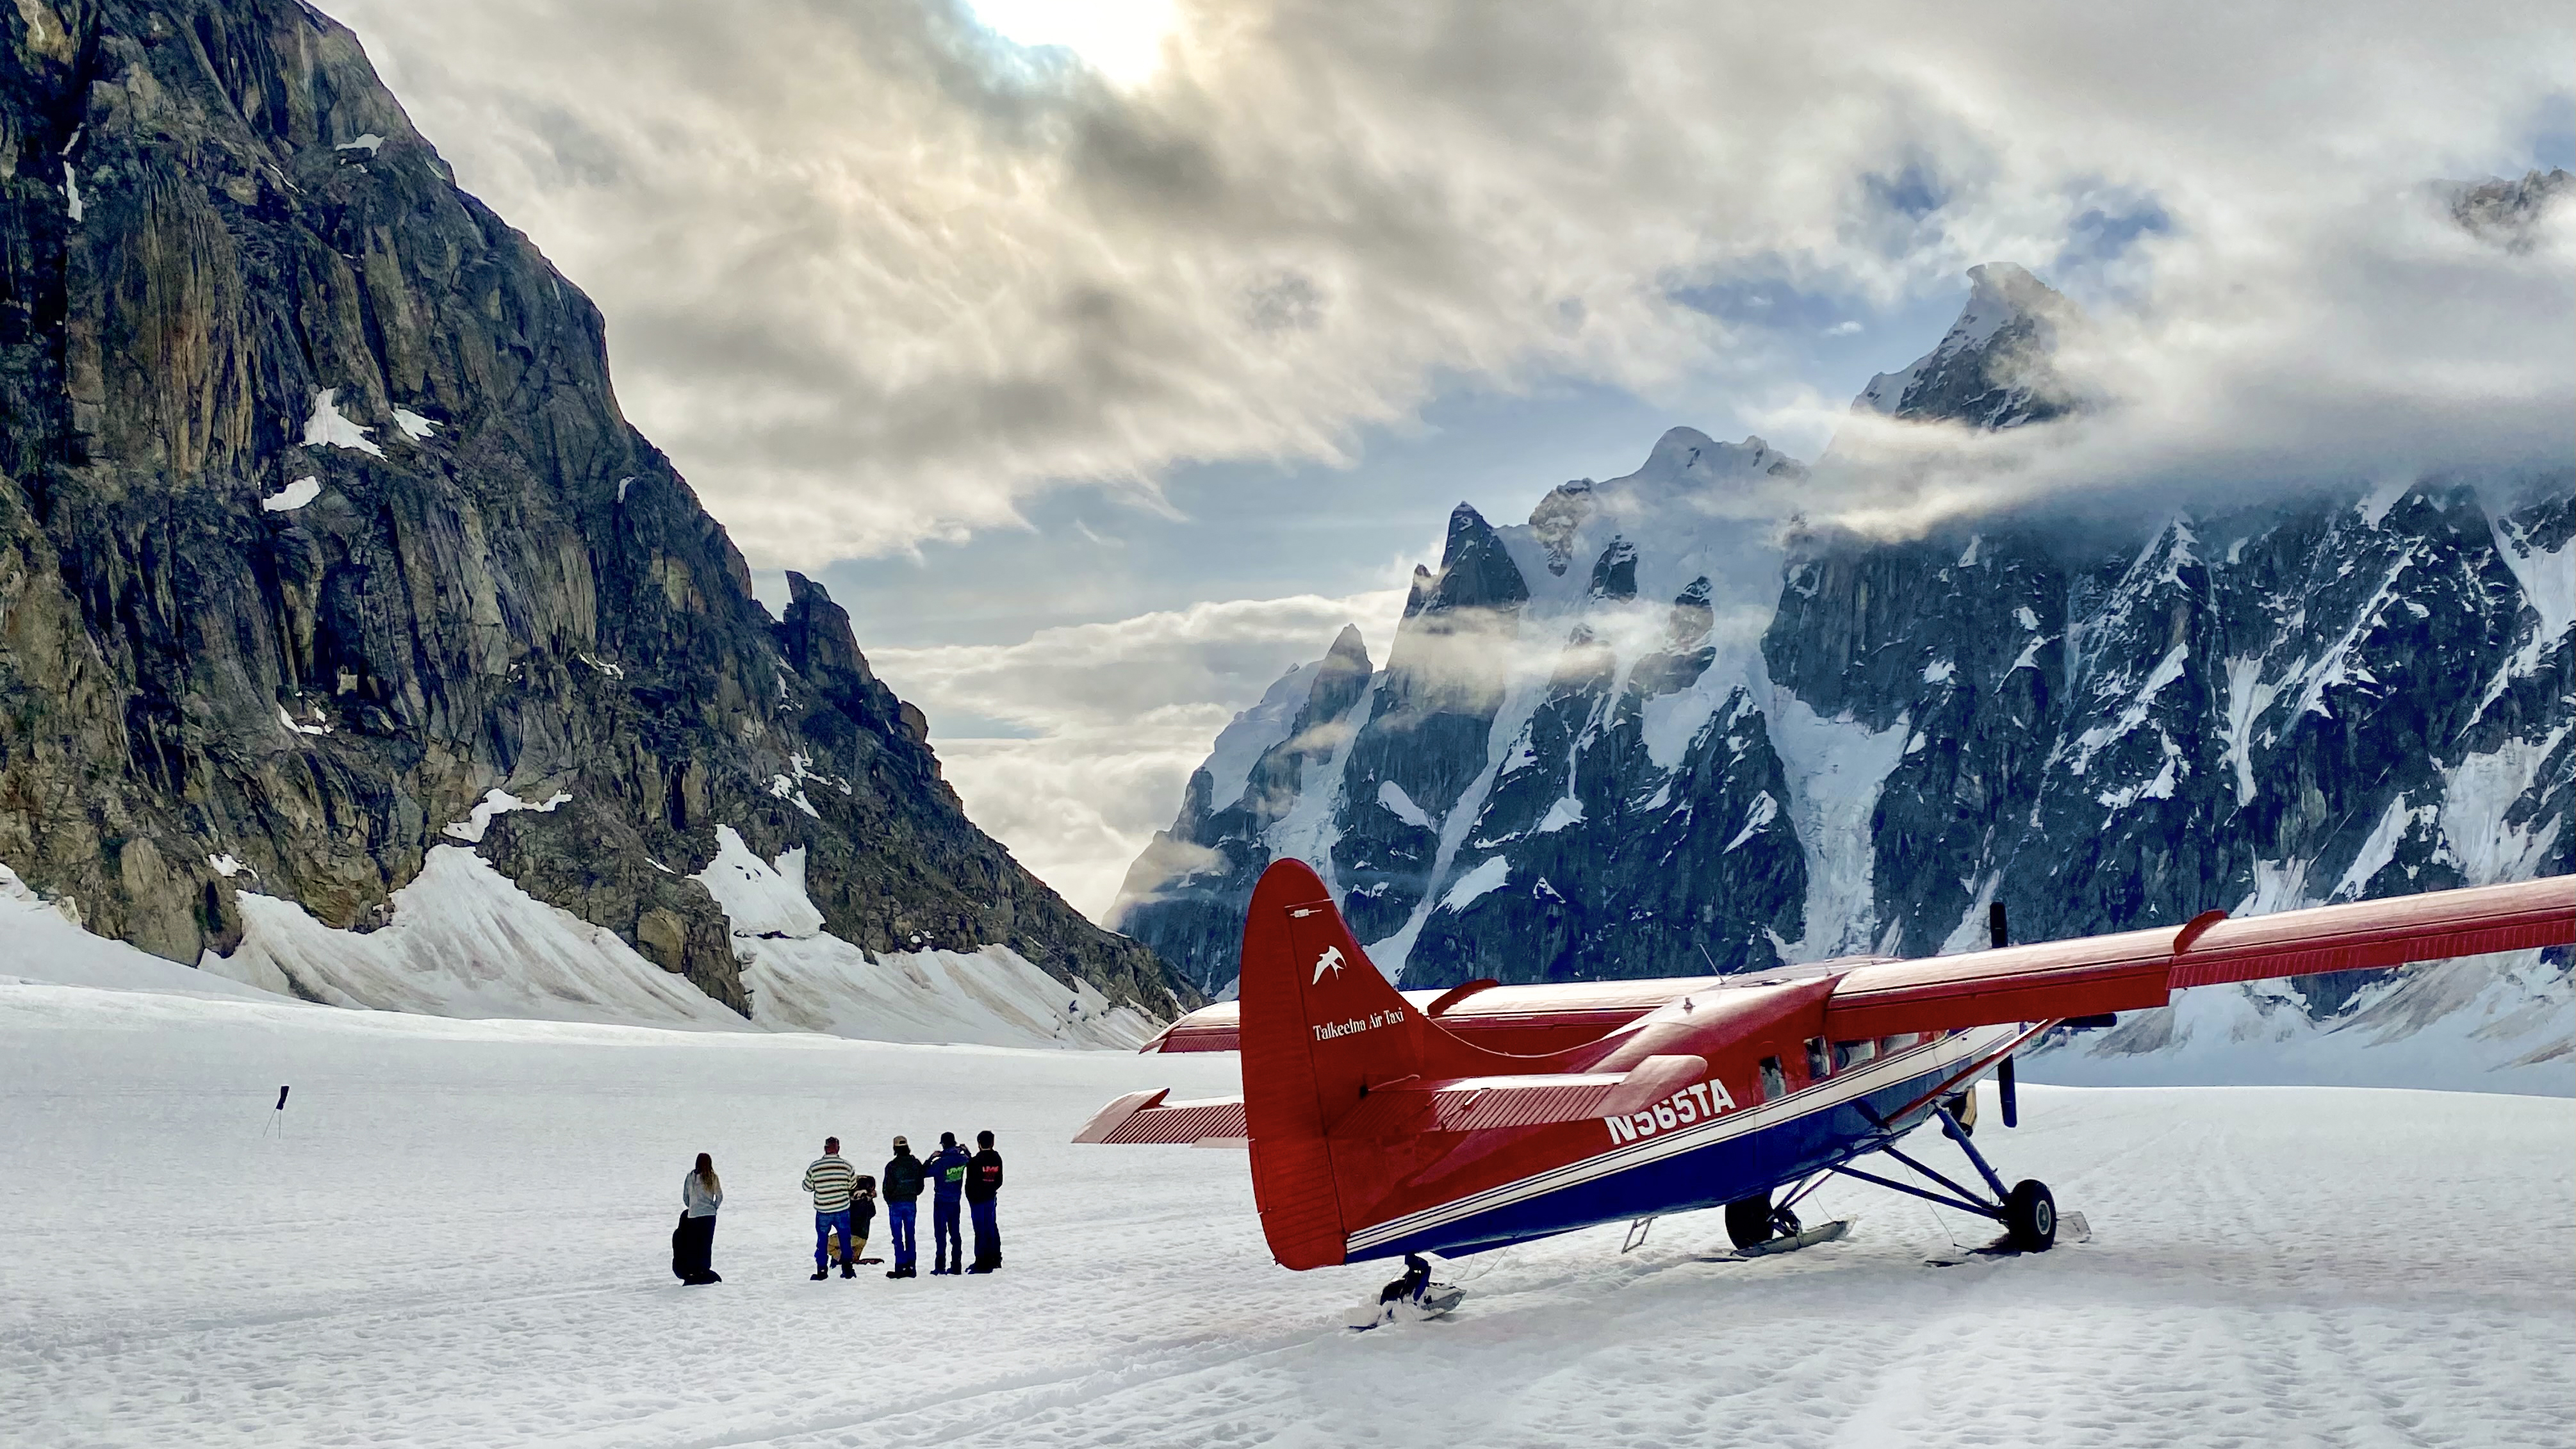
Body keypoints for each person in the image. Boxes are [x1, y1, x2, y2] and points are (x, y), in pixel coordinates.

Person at [802, 1136, 860, 1281]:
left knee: (822, 1240)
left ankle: (822, 1270)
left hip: (823, 1210)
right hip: (842, 1209)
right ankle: (847, 1269)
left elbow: (807, 1187)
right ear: (838, 1148)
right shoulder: (847, 1166)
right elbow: (852, 1186)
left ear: (825, 1149)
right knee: (845, 1240)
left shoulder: (815, 1167)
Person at [923, 1131, 972, 1275]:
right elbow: (972, 1161)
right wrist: (966, 1151)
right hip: (956, 1201)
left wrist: (931, 1158)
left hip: (941, 1201)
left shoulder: (940, 1162)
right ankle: (957, 1265)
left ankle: (940, 1266)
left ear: (943, 1144)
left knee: (940, 1235)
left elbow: (924, 1172)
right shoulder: (962, 1159)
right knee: (955, 1234)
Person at [881, 1136, 925, 1279]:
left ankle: (900, 1265)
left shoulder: (892, 1166)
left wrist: (890, 1200)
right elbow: (920, 1186)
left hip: (896, 1204)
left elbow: (887, 1188)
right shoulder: (916, 1163)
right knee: (910, 1235)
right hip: (911, 1202)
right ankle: (912, 1266)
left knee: (897, 1237)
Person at [676, 1152, 723, 1285]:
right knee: (706, 1244)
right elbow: (719, 1196)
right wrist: (713, 1208)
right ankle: (705, 1269)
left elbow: (685, 1197)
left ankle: (694, 1269)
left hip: (694, 1215)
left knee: (694, 1244)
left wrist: (692, 1207)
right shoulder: (712, 1177)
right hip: (708, 1215)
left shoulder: (690, 1177)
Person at [965, 1130, 1005, 1273]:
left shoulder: (975, 1161)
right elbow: (999, 1180)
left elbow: (971, 1182)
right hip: (990, 1197)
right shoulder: (996, 1158)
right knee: (992, 1227)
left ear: (979, 1143)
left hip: (978, 1200)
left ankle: (982, 1261)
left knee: (980, 1230)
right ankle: (995, 1258)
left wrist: (972, 1197)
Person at [849, 1174, 880, 1264]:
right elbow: (873, 1213)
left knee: (826, 1243)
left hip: (852, 1236)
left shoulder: (855, 1201)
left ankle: (844, 1259)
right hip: (863, 1238)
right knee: (853, 1259)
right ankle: (851, 1260)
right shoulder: (868, 1201)